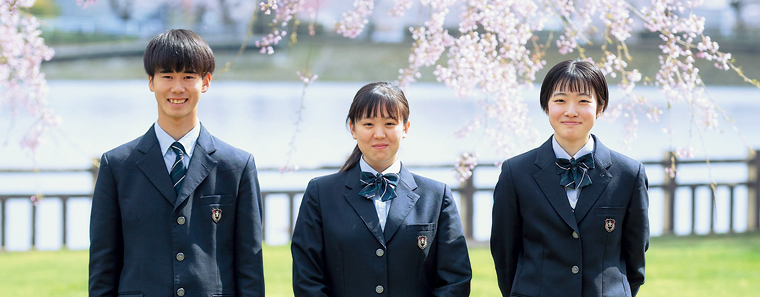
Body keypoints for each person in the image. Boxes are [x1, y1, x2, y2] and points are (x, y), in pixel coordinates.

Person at [89, 29, 265, 297]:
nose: (177, 88)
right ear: (151, 81)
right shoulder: (117, 166)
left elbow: (249, 265)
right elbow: (103, 265)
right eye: (167, 76)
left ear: (205, 82)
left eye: (188, 77)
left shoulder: (236, 166)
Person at [291, 82, 472, 297]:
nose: (379, 134)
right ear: (352, 128)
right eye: (368, 124)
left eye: (389, 123)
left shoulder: (436, 196)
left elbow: (455, 281)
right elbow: (307, 279)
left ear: (405, 128)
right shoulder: (320, 194)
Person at [490, 59, 649, 297]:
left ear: (600, 107)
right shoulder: (516, 172)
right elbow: (504, 254)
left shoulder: (628, 174)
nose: (571, 111)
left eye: (583, 101)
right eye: (560, 100)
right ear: (546, 106)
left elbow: (635, 256)